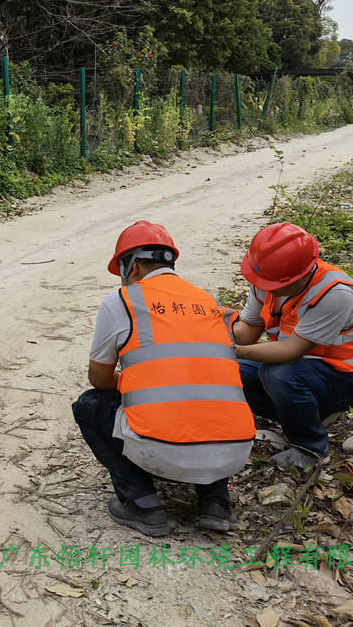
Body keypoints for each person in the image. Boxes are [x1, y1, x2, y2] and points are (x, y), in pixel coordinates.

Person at [72, 221, 255, 537]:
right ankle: (215, 501)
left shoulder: (122, 301)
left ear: (133, 265)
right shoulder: (207, 301)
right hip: (234, 452)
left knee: (88, 405)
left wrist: (139, 383)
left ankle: (142, 503)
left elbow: (99, 379)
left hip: (162, 449)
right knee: (207, 402)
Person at [234, 223, 353, 469]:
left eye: (272, 283)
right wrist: (213, 333)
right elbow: (247, 332)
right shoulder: (265, 279)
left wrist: (232, 351)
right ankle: (303, 414)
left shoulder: (334, 293)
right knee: (225, 369)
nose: (265, 286)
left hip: (345, 378)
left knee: (277, 374)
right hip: (300, 369)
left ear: (299, 275)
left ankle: (311, 448)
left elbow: (290, 352)